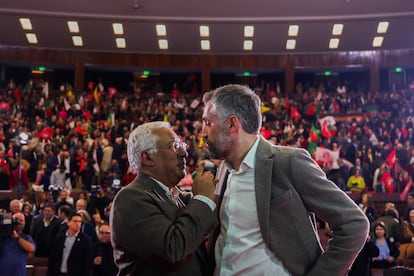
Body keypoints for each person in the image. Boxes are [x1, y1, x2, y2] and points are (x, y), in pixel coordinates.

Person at [201, 84, 369, 275]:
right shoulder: (224, 168)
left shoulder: (287, 162)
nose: (203, 133)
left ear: (232, 124)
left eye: (208, 123)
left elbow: (354, 223)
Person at [110, 121, 218, 275]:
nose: (184, 152)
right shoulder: (130, 199)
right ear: (147, 157)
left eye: (181, 144)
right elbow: (172, 249)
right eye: (175, 146)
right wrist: (202, 199)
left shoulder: (176, 195)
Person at [48, 212, 94, 276]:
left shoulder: (86, 240)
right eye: (75, 221)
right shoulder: (59, 238)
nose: (78, 224)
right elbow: (52, 259)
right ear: (68, 222)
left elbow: (87, 263)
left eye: (80, 222)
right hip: (58, 273)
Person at [0, 212, 36, 276]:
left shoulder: (26, 237)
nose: (18, 222)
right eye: (16, 220)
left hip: (19, 273)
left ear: (25, 223)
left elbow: (31, 248)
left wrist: (17, 238)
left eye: (21, 220)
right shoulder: (3, 237)